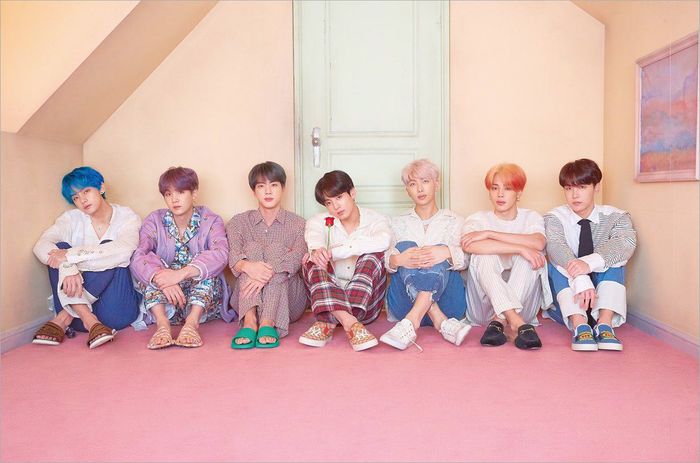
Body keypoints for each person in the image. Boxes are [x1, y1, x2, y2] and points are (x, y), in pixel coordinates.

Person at [32, 166, 142, 349]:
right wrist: (68, 267)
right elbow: (41, 246)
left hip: (116, 312)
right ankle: (90, 321)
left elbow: (125, 250)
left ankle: (63, 319)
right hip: (81, 315)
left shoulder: (127, 217)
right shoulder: (71, 219)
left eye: (86, 191)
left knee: (109, 248)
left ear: (101, 188)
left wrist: (71, 256)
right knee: (59, 248)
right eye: (75, 197)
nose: (82, 200)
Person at [130, 167, 230, 349]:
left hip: (201, 303)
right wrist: (163, 279)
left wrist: (181, 274)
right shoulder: (154, 220)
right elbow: (139, 255)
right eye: (168, 194)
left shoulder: (211, 220)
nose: (174, 199)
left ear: (194, 193)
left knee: (207, 268)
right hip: (166, 301)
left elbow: (221, 253)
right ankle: (162, 326)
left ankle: (191, 325)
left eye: (181, 192)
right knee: (150, 269)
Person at [543, 158, 636, 351]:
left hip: (603, 298)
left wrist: (588, 263)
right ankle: (580, 325)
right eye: (569, 188)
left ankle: (605, 325)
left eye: (582, 187)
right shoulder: (555, 217)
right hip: (567, 302)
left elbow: (625, 243)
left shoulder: (615, 216)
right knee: (555, 263)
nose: (574, 195)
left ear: (597, 187)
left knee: (616, 261)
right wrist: (579, 276)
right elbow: (555, 247)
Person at [381, 159, 471, 351]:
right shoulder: (397, 222)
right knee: (406, 246)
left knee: (438, 249)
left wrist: (445, 252)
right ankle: (440, 322)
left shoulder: (455, 220)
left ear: (436, 184)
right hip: (404, 304)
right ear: (407, 190)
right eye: (413, 184)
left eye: (425, 181)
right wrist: (399, 259)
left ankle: (411, 322)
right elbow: (384, 261)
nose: (420, 189)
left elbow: (468, 260)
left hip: (449, 304)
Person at [299, 170, 391, 351]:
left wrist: (335, 252)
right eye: (328, 202)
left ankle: (327, 322)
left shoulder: (376, 219)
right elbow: (314, 238)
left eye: (339, 197)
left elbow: (383, 241)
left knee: (373, 256)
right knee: (313, 259)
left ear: (352, 193)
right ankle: (351, 324)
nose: (335, 206)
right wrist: (317, 251)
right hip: (326, 297)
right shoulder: (317, 221)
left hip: (364, 306)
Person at [461, 163, 549, 350]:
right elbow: (471, 245)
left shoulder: (531, 217)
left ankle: (500, 320)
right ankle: (515, 321)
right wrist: (520, 248)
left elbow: (538, 243)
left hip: (524, 307)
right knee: (483, 256)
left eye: (507, 188)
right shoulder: (477, 219)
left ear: (519, 193)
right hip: (483, 310)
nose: (500, 194)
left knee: (531, 256)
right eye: (495, 188)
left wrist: (490, 234)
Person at [227, 162, 308, 349]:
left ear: (283, 188)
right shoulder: (238, 222)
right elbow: (234, 257)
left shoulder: (298, 224)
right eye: (261, 186)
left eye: (274, 185)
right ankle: (250, 321)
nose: (268, 191)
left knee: (276, 250)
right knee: (252, 249)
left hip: (288, 301)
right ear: (253, 191)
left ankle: (268, 322)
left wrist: (265, 273)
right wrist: (249, 267)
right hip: (246, 301)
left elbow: (296, 259)